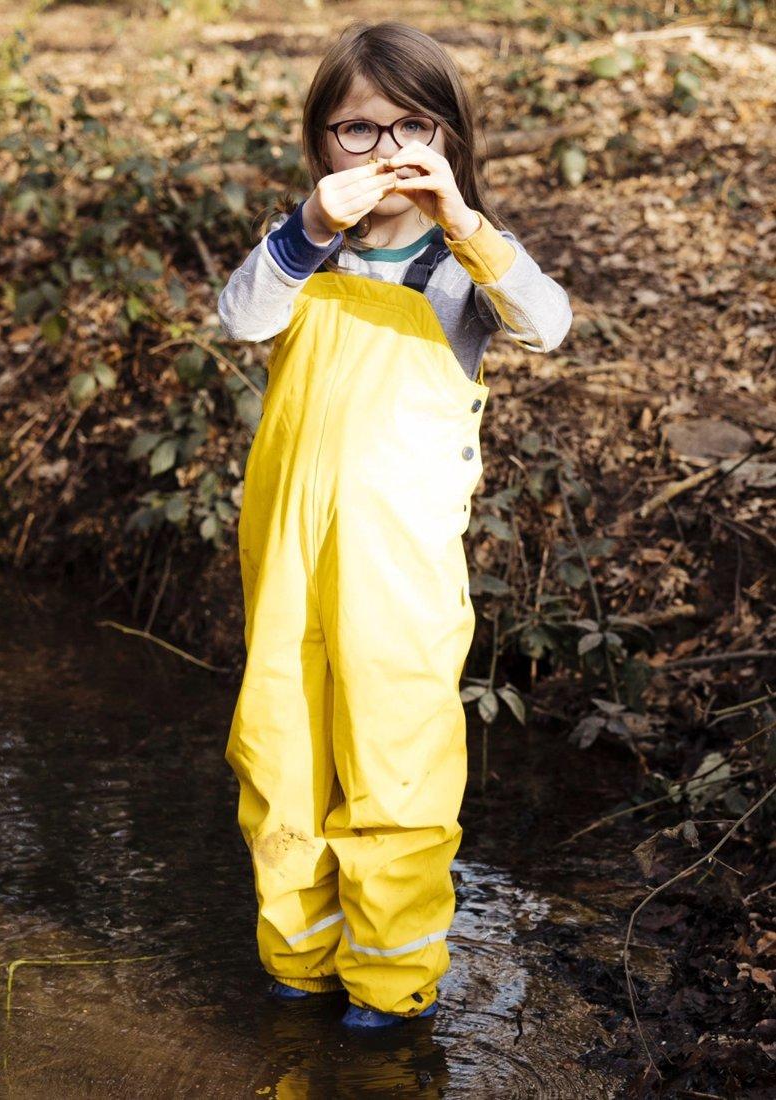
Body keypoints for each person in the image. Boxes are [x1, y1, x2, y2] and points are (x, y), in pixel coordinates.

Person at [217, 20, 572, 1030]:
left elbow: (547, 324)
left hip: (401, 568)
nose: (385, 150)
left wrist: (463, 220)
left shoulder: (460, 266)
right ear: (322, 142)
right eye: (358, 130)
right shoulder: (300, 253)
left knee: (395, 754)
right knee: (280, 748)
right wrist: (304, 226)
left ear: (448, 137)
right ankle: (298, 957)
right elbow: (242, 317)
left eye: (412, 127)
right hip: (287, 557)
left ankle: (387, 980)